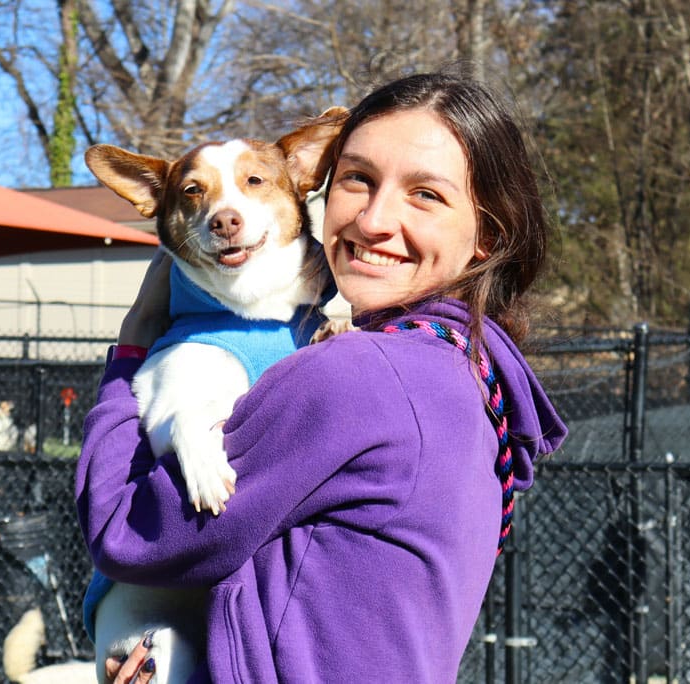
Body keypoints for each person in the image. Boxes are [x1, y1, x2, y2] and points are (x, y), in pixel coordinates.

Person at [77, 68, 568, 682]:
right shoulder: (472, 372)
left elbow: (125, 530)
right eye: (358, 180)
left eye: (426, 195)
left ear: (487, 234)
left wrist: (132, 345)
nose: (374, 220)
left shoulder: (359, 374)